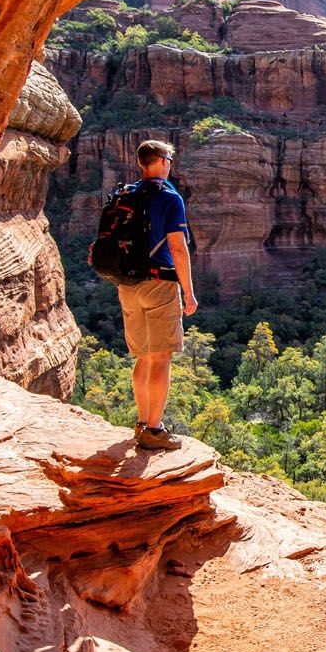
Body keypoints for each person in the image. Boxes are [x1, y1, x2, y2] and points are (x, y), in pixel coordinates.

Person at [118, 140, 197, 450]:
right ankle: (154, 430)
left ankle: (140, 422)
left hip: (127, 285)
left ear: (142, 164)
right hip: (158, 284)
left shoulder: (126, 193)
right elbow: (178, 248)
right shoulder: (169, 197)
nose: (170, 164)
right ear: (162, 162)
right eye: (169, 159)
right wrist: (188, 292)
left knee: (143, 356)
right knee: (161, 358)